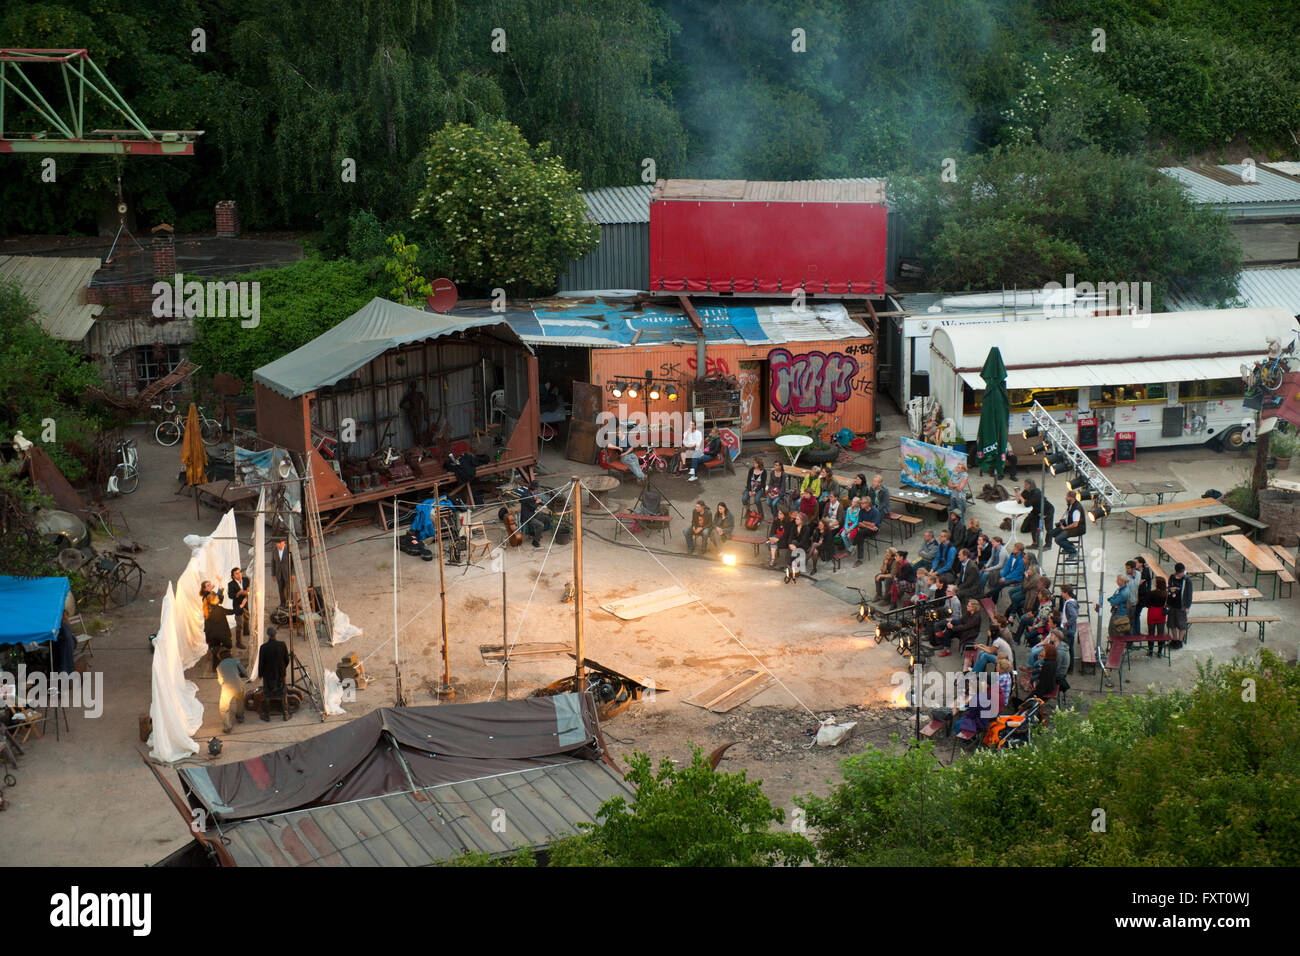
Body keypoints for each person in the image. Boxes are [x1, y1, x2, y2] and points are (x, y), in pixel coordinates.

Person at [257, 625, 290, 721]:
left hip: (268, 675)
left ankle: (267, 715)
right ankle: (285, 714)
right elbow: (287, 660)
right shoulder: (282, 645)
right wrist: (282, 668)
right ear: (276, 634)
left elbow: (261, 663)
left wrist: (260, 674)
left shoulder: (263, 647)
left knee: (267, 694)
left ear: (268, 635)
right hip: (280, 674)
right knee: (283, 693)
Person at [201, 580, 234, 672]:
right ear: (204, 589)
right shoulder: (207, 598)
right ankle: (222, 665)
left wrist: (220, 591)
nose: (211, 585)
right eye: (208, 585)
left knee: (217, 649)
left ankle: (217, 666)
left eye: (210, 584)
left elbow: (219, 600)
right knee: (222, 648)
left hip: (215, 630)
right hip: (216, 630)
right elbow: (219, 602)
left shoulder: (211, 597)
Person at [215, 647, 247, 733]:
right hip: (239, 686)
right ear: (230, 654)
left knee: (223, 708)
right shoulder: (235, 661)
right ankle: (240, 717)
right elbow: (244, 671)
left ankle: (227, 727)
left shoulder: (219, 667)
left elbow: (220, 681)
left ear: (220, 657)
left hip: (227, 689)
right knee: (240, 702)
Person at [1166, 562, 1193, 648]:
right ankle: (1174, 639)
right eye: (1181, 572)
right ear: (1176, 572)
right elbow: (1169, 587)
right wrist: (1171, 589)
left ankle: (1180, 641)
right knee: (1171, 623)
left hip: (1181, 605)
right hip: (1172, 604)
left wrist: (1188, 607)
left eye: (1183, 571)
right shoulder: (1172, 577)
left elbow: (1189, 594)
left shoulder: (1187, 580)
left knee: (1181, 624)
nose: (1182, 573)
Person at [1051, 490, 1086, 556]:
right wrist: (1063, 521)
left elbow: (1075, 524)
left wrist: (1064, 528)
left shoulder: (1076, 509)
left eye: (1067, 497)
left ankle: (1073, 551)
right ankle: (1069, 545)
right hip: (1069, 525)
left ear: (1072, 498)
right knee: (1052, 533)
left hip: (1077, 529)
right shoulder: (1071, 505)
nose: (1066, 498)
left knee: (1058, 539)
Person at [852, 494, 881, 567]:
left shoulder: (875, 511)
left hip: (873, 531)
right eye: (860, 503)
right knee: (861, 535)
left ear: (868, 504)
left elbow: (873, 525)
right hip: (864, 530)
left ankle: (853, 544)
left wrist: (864, 522)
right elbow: (859, 523)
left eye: (862, 503)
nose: (861, 504)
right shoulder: (861, 511)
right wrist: (868, 525)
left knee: (860, 533)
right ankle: (860, 559)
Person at [1106, 573, 1134, 638]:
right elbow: (1113, 597)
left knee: (1116, 632)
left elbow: (1114, 601)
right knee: (1112, 630)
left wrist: (1111, 600)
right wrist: (1112, 599)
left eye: (1117, 580)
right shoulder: (1119, 589)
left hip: (1120, 614)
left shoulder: (1124, 592)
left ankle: (1115, 647)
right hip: (1116, 612)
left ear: (1122, 581)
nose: (1116, 581)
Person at [1016, 478, 1043, 547]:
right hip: (1033, 512)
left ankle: (1035, 543)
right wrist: (1017, 494)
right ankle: (1034, 526)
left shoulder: (1036, 493)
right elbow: (1019, 501)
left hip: (1040, 512)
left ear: (1030, 485)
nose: (1024, 486)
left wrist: (1020, 496)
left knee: (1034, 527)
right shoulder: (1026, 491)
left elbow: (1027, 504)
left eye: (1026, 484)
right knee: (1023, 529)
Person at [227, 567, 249, 649]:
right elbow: (230, 596)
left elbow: (249, 588)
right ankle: (238, 642)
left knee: (247, 618)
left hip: (246, 604)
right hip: (238, 606)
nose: (239, 574)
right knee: (239, 624)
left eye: (240, 572)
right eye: (236, 573)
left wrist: (248, 590)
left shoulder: (246, 580)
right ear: (233, 576)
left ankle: (246, 632)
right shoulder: (231, 584)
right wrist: (238, 594)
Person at [1146, 576, 1168, 656]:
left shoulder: (1151, 593)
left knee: (1151, 632)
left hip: (1152, 612)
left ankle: (1150, 651)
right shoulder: (1165, 593)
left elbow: (1147, 604)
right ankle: (1159, 652)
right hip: (1161, 613)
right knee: (1160, 633)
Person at [1060, 584, 1079, 664]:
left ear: (1066, 593)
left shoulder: (1069, 604)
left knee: (1067, 649)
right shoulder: (1072, 601)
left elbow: (1074, 616)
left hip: (1068, 630)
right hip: (1071, 629)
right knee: (1070, 649)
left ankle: (1068, 666)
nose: (1061, 594)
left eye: (1062, 592)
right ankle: (1070, 667)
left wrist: (1066, 624)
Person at [271, 538, 293, 607]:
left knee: (288, 589)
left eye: (279, 543)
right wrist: (273, 574)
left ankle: (290, 603)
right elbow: (273, 563)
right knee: (281, 589)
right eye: (277, 544)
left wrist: (293, 573)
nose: (278, 545)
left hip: (287, 573)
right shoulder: (274, 551)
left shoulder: (289, 550)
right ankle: (282, 603)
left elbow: (294, 562)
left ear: (283, 542)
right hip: (279, 574)